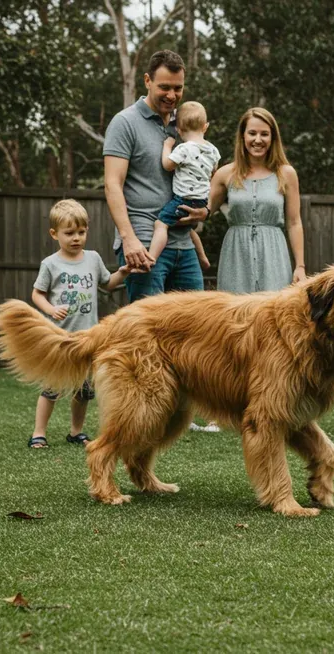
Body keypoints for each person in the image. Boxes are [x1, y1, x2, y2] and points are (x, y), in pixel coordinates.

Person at [102, 49, 220, 433]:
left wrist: (204, 212)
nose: (171, 95)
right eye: (165, 87)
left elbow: (199, 180)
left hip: (183, 244)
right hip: (143, 244)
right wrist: (128, 239)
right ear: (147, 81)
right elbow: (113, 185)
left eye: (178, 88)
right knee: (144, 343)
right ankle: (134, 423)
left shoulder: (183, 127)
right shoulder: (125, 123)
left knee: (197, 333)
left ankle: (176, 422)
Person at [27, 200, 130, 448]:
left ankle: (76, 432)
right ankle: (39, 433)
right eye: (69, 233)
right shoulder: (51, 264)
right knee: (51, 388)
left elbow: (107, 283)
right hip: (60, 338)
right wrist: (51, 309)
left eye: (81, 232)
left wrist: (123, 273)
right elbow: (37, 294)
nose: (76, 238)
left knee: (83, 391)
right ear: (54, 234)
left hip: (87, 338)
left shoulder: (93, 259)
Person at [208, 107, 306, 293]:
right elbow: (203, 212)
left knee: (274, 308)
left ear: (273, 138)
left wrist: (300, 266)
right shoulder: (225, 174)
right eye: (252, 133)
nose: (258, 140)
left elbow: (294, 223)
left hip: (274, 255)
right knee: (234, 308)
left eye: (264, 134)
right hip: (236, 255)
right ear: (243, 136)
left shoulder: (286, 174)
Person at [151, 101, 218, 269]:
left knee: (161, 224)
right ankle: (202, 257)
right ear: (205, 126)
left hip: (183, 199)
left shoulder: (184, 149)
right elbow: (214, 171)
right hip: (201, 201)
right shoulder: (213, 150)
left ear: (179, 130)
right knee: (188, 230)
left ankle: (152, 257)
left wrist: (167, 146)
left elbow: (167, 165)